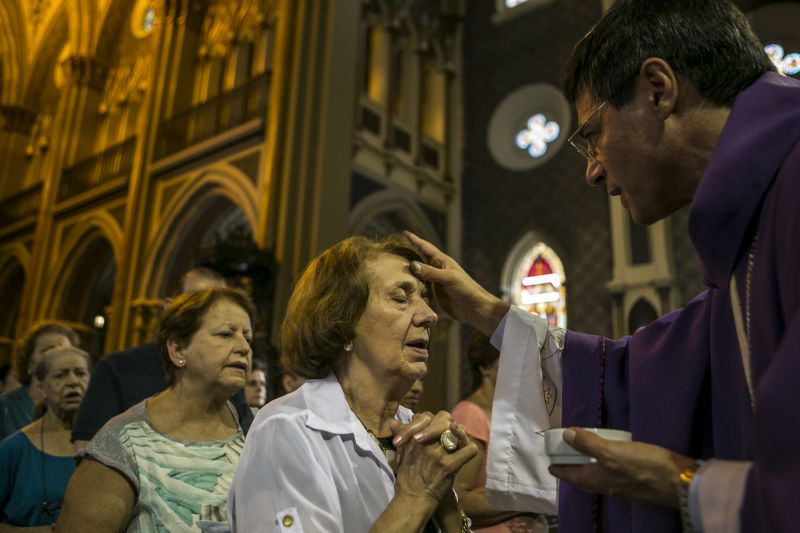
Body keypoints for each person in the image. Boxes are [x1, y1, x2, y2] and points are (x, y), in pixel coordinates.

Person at [399, 1, 800, 531]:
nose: (592, 170)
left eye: (591, 135)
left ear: (658, 89)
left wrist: (681, 484)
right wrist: (487, 312)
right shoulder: (751, 226)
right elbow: (637, 373)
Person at [228, 235, 478, 532]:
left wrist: (445, 500)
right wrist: (417, 493)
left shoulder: (414, 430)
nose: (430, 315)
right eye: (401, 298)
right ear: (343, 322)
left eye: (425, 299)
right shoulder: (287, 429)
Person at [57, 288, 255, 532]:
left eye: (248, 337)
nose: (244, 347)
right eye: (226, 334)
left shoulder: (260, 429)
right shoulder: (125, 443)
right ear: (178, 349)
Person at [71, 266, 250, 451]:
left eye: (247, 337)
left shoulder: (229, 381)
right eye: (198, 304)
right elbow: (89, 452)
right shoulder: (117, 369)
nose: (243, 347)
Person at [451, 331, 548, 533]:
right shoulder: (470, 415)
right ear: (486, 367)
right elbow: (459, 496)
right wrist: (528, 500)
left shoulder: (512, 415)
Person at [0, 346, 90, 529]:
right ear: (41, 387)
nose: (73, 382)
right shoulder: (14, 449)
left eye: (80, 373)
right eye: (60, 375)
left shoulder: (107, 443)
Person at [0, 322, 79, 440]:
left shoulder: (77, 414)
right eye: (50, 350)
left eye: (65, 351)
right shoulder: (5, 408)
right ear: (30, 364)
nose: (60, 357)